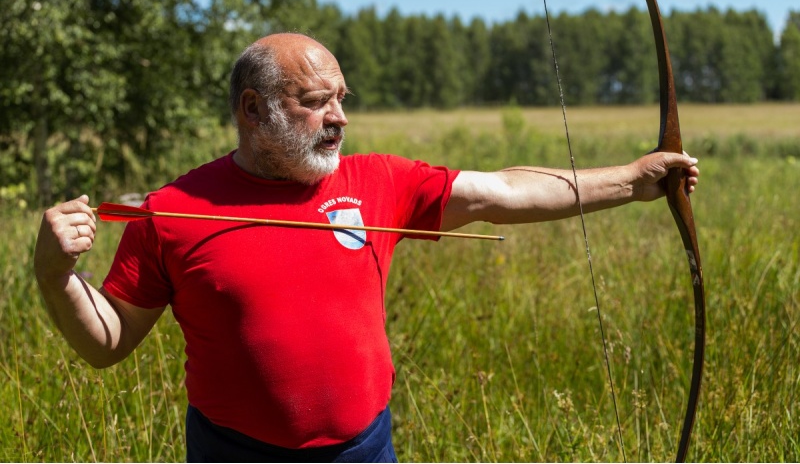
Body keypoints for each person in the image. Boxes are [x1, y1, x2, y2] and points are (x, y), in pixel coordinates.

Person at [34, 33, 700, 462]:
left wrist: (634, 180)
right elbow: (107, 342)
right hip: (234, 453)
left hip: (365, 449)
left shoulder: (378, 180)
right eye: (317, 102)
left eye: (342, 100)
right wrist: (56, 276)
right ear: (252, 109)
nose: (340, 119)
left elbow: (506, 190)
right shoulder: (172, 210)